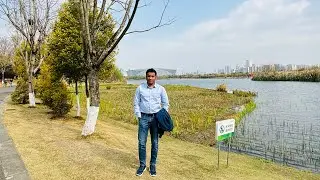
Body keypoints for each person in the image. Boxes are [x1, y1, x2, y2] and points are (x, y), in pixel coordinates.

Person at [134, 68, 169, 177]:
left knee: (155, 143)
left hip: (155, 119)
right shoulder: (140, 88)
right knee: (141, 142)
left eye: (152, 76)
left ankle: (153, 165)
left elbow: (165, 104)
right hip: (143, 118)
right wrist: (139, 116)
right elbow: (136, 103)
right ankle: (142, 165)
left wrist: (162, 117)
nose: (150, 78)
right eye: (148, 76)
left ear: (156, 77)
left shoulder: (161, 89)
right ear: (146, 77)